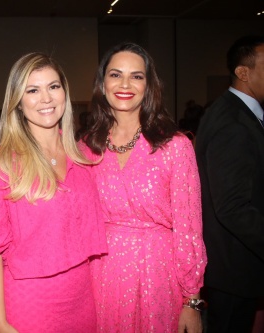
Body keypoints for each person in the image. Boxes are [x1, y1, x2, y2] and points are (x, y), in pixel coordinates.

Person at [0, 52, 107, 333]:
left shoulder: (83, 156)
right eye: (32, 90)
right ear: (18, 103)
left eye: (53, 86)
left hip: (83, 297)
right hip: (30, 303)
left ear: (65, 94)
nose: (46, 98)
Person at [84, 42, 207, 333]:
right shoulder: (87, 147)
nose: (125, 84)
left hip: (159, 275)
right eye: (116, 74)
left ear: (149, 85)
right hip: (101, 276)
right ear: (103, 83)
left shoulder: (175, 146)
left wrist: (192, 300)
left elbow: (189, 229)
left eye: (137, 76)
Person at [195, 35, 264, 333]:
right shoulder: (233, 122)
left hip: (234, 261)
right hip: (234, 264)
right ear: (243, 72)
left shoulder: (235, 112)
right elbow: (232, 207)